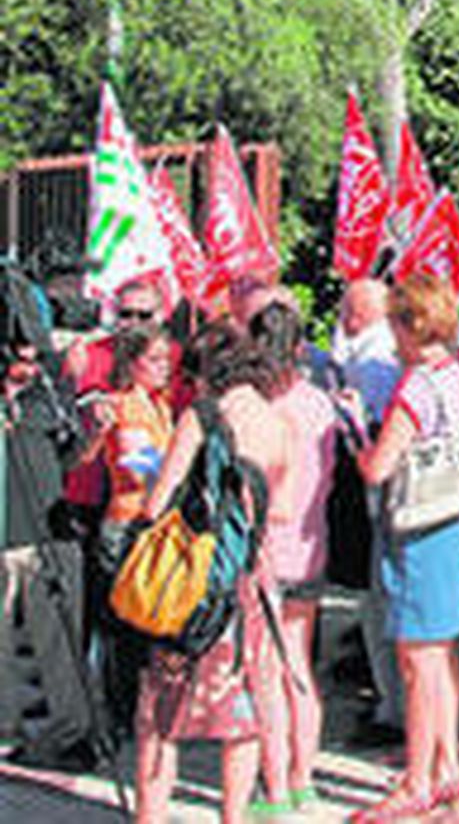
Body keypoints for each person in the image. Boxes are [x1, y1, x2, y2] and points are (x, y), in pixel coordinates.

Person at [131, 328, 297, 824]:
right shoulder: (278, 422)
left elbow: (157, 503)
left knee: (159, 710)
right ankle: (233, 816)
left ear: (207, 372)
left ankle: (150, 816)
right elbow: (282, 510)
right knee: (241, 711)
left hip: (194, 579)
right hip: (251, 579)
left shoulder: (202, 417)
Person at [343, 274, 459, 820]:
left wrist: (357, 432)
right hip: (452, 522)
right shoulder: (456, 376)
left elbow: (378, 467)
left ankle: (417, 780)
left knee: (417, 660)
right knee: (440, 654)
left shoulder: (416, 387)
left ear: (408, 324)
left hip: (419, 528)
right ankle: (448, 767)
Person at [248, 302, 339, 814]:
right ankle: (304, 777)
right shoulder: (319, 404)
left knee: (267, 673)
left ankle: (276, 786)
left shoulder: (263, 409)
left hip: (268, 549)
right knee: (299, 665)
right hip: (310, 543)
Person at [78, 323, 176, 737]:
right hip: (126, 522)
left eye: (167, 359)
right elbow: (137, 469)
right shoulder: (124, 405)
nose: (164, 367)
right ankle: (120, 713)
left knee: (144, 622)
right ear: (132, 363)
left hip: (151, 524)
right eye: (154, 359)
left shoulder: (160, 405)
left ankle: (136, 709)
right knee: (122, 626)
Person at [0, 338, 94, 769]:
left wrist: (97, 434)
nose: (31, 365)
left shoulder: (50, 396)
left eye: (36, 357)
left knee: (59, 643)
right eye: (21, 356)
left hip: (48, 536)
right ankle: (7, 729)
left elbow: (73, 457)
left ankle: (71, 733)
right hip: (6, 536)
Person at [323, 277, 405, 740]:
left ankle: (393, 709)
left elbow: (374, 455)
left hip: (384, 495)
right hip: (384, 497)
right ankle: (390, 702)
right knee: (378, 602)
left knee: (382, 603)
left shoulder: (377, 364)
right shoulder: (375, 357)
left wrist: (354, 426)